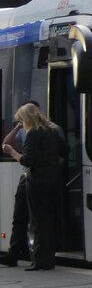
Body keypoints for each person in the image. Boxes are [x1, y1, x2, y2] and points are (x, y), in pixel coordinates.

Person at [3, 102, 67, 270]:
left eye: (21, 120)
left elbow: (27, 160)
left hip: (36, 179)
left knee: (37, 221)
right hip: (50, 179)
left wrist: (12, 152)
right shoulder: (51, 130)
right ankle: (46, 259)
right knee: (45, 219)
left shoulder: (33, 133)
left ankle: (40, 261)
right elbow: (65, 151)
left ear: (26, 118)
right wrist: (50, 167)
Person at [0, 101, 38, 266]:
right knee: (19, 214)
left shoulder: (38, 132)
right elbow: (5, 144)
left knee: (35, 217)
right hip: (26, 175)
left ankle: (33, 254)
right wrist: (16, 128)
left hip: (34, 175)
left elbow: (26, 158)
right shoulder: (24, 131)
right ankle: (15, 252)